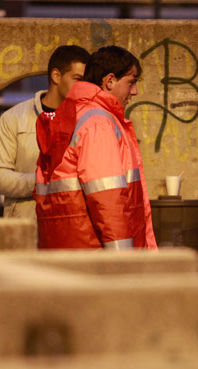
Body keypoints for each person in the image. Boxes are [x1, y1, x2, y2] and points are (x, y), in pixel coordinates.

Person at [34, 45, 157, 250]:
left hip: (70, 246)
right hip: (96, 254)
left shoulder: (73, 114)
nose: (135, 91)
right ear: (110, 81)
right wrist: (122, 258)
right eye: (131, 82)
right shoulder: (98, 123)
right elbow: (107, 199)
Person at [0, 45, 90, 219]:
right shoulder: (14, 118)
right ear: (56, 76)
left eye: (87, 82)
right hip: (27, 230)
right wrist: (42, 181)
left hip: (72, 228)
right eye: (77, 79)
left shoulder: (87, 120)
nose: (83, 88)